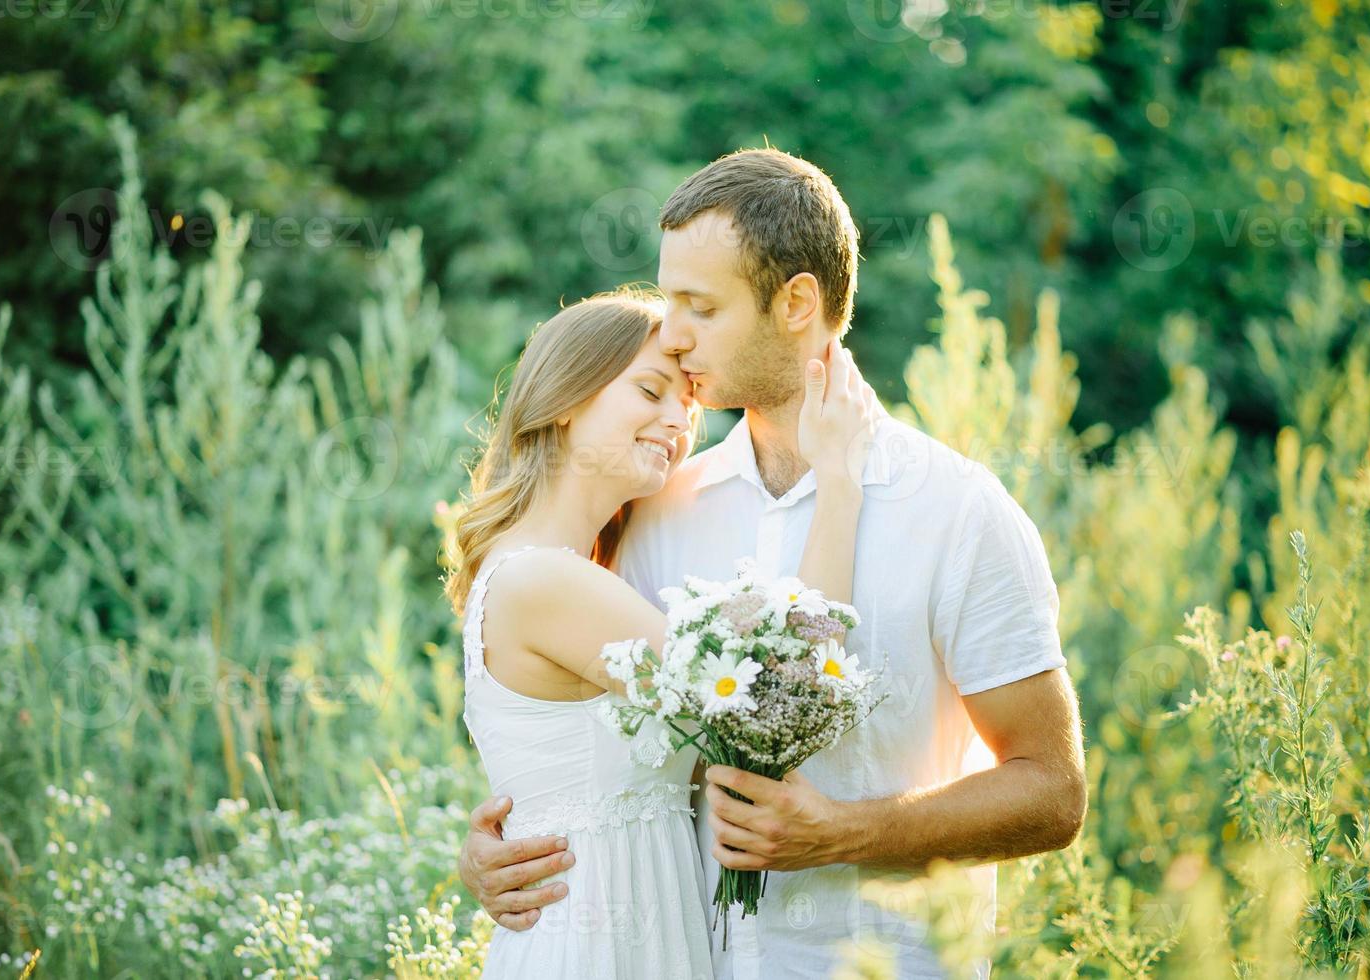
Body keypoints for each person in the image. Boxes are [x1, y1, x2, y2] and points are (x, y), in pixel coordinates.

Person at [458, 149, 1087, 979]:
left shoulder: (958, 513)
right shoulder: (655, 507)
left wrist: (850, 832)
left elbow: (1051, 793)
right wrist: (501, 843)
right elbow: (581, 726)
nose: (673, 335)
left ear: (795, 302)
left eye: (700, 306)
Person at [443, 286, 879, 979]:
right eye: (650, 391)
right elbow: (777, 705)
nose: (677, 419)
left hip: (635, 933)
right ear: (563, 400)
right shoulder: (543, 581)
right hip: (591, 946)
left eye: (690, 404)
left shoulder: (577, 571)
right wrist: (839, 482)